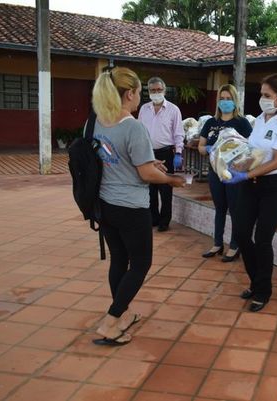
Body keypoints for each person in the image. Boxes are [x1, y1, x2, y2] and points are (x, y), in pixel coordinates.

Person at [91, 67, 185, 346]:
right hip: (131, 206)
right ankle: (111, 321)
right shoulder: (133, 126)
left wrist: (149, 163)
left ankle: (124, 313)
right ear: (130, 93)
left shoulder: (97, 121)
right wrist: (171, 180)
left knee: (119, 258)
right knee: (141, 263)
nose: (142, 97)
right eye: (140, 92)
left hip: (104, 203)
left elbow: (112, 158)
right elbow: (146, 175)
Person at [223, 73, 277, 312]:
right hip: (251, 184)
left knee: (263, 240)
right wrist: (233, 162)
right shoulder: (259, 119)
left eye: (267, 95)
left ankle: (263, 291)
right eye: (261, 95)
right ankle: (255, 282)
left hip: (275, 187)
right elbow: (253, 151)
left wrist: (247, 175)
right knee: (242, 234)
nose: (263, 99)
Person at [198, 84, 253, 262]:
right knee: (220, 208)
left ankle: (235, 245)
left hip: (234, 173)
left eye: (229, 99)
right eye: (222, 98)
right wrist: (209, 148)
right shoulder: (211, 123)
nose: (225, 102)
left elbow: (249, 147)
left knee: (235, 209)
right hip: (215, 172)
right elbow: (200, 146)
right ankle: (217, 243)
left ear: (235, 101)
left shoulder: (242, 123)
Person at [138, 77, 184, 232]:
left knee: (165, 189)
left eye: (159, 90)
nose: (156, 93)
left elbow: (178, 133)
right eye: (153, 90)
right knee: (150, 188)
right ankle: (153, 218)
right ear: (148, 91)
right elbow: (139, 131)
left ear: (164, 90)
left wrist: (178, 152)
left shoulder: (173, 110)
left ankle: (165, 221)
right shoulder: (144, 109)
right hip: (148, 153)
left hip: (166, 153)